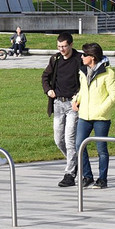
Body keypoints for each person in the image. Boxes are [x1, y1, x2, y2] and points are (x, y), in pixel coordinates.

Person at [74, 42, 115, 189]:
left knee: (101, 149)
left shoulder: (108, 73)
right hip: (84, 116)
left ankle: (102, 179)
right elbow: (82, 90)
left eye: (85, 55)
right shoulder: (82, 71)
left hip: (101, 118)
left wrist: (101, 109)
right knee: (79, 145)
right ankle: (87, 176)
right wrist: (76, 100)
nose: (82, 57)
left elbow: (114, 95)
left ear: (92, 57)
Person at [41, 32, 82, 186]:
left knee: (70, 139)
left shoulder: (79, 59)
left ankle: (69, 174)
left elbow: (85, 81)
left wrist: (78, 98)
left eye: (64, 46)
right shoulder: (55, 59)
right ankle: (75, 162)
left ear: (71, 45)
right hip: (58, 103)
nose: (62, 49)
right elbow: (45, 76)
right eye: (59, 46)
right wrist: (48, 90)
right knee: (58, 140)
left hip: (73, 104)